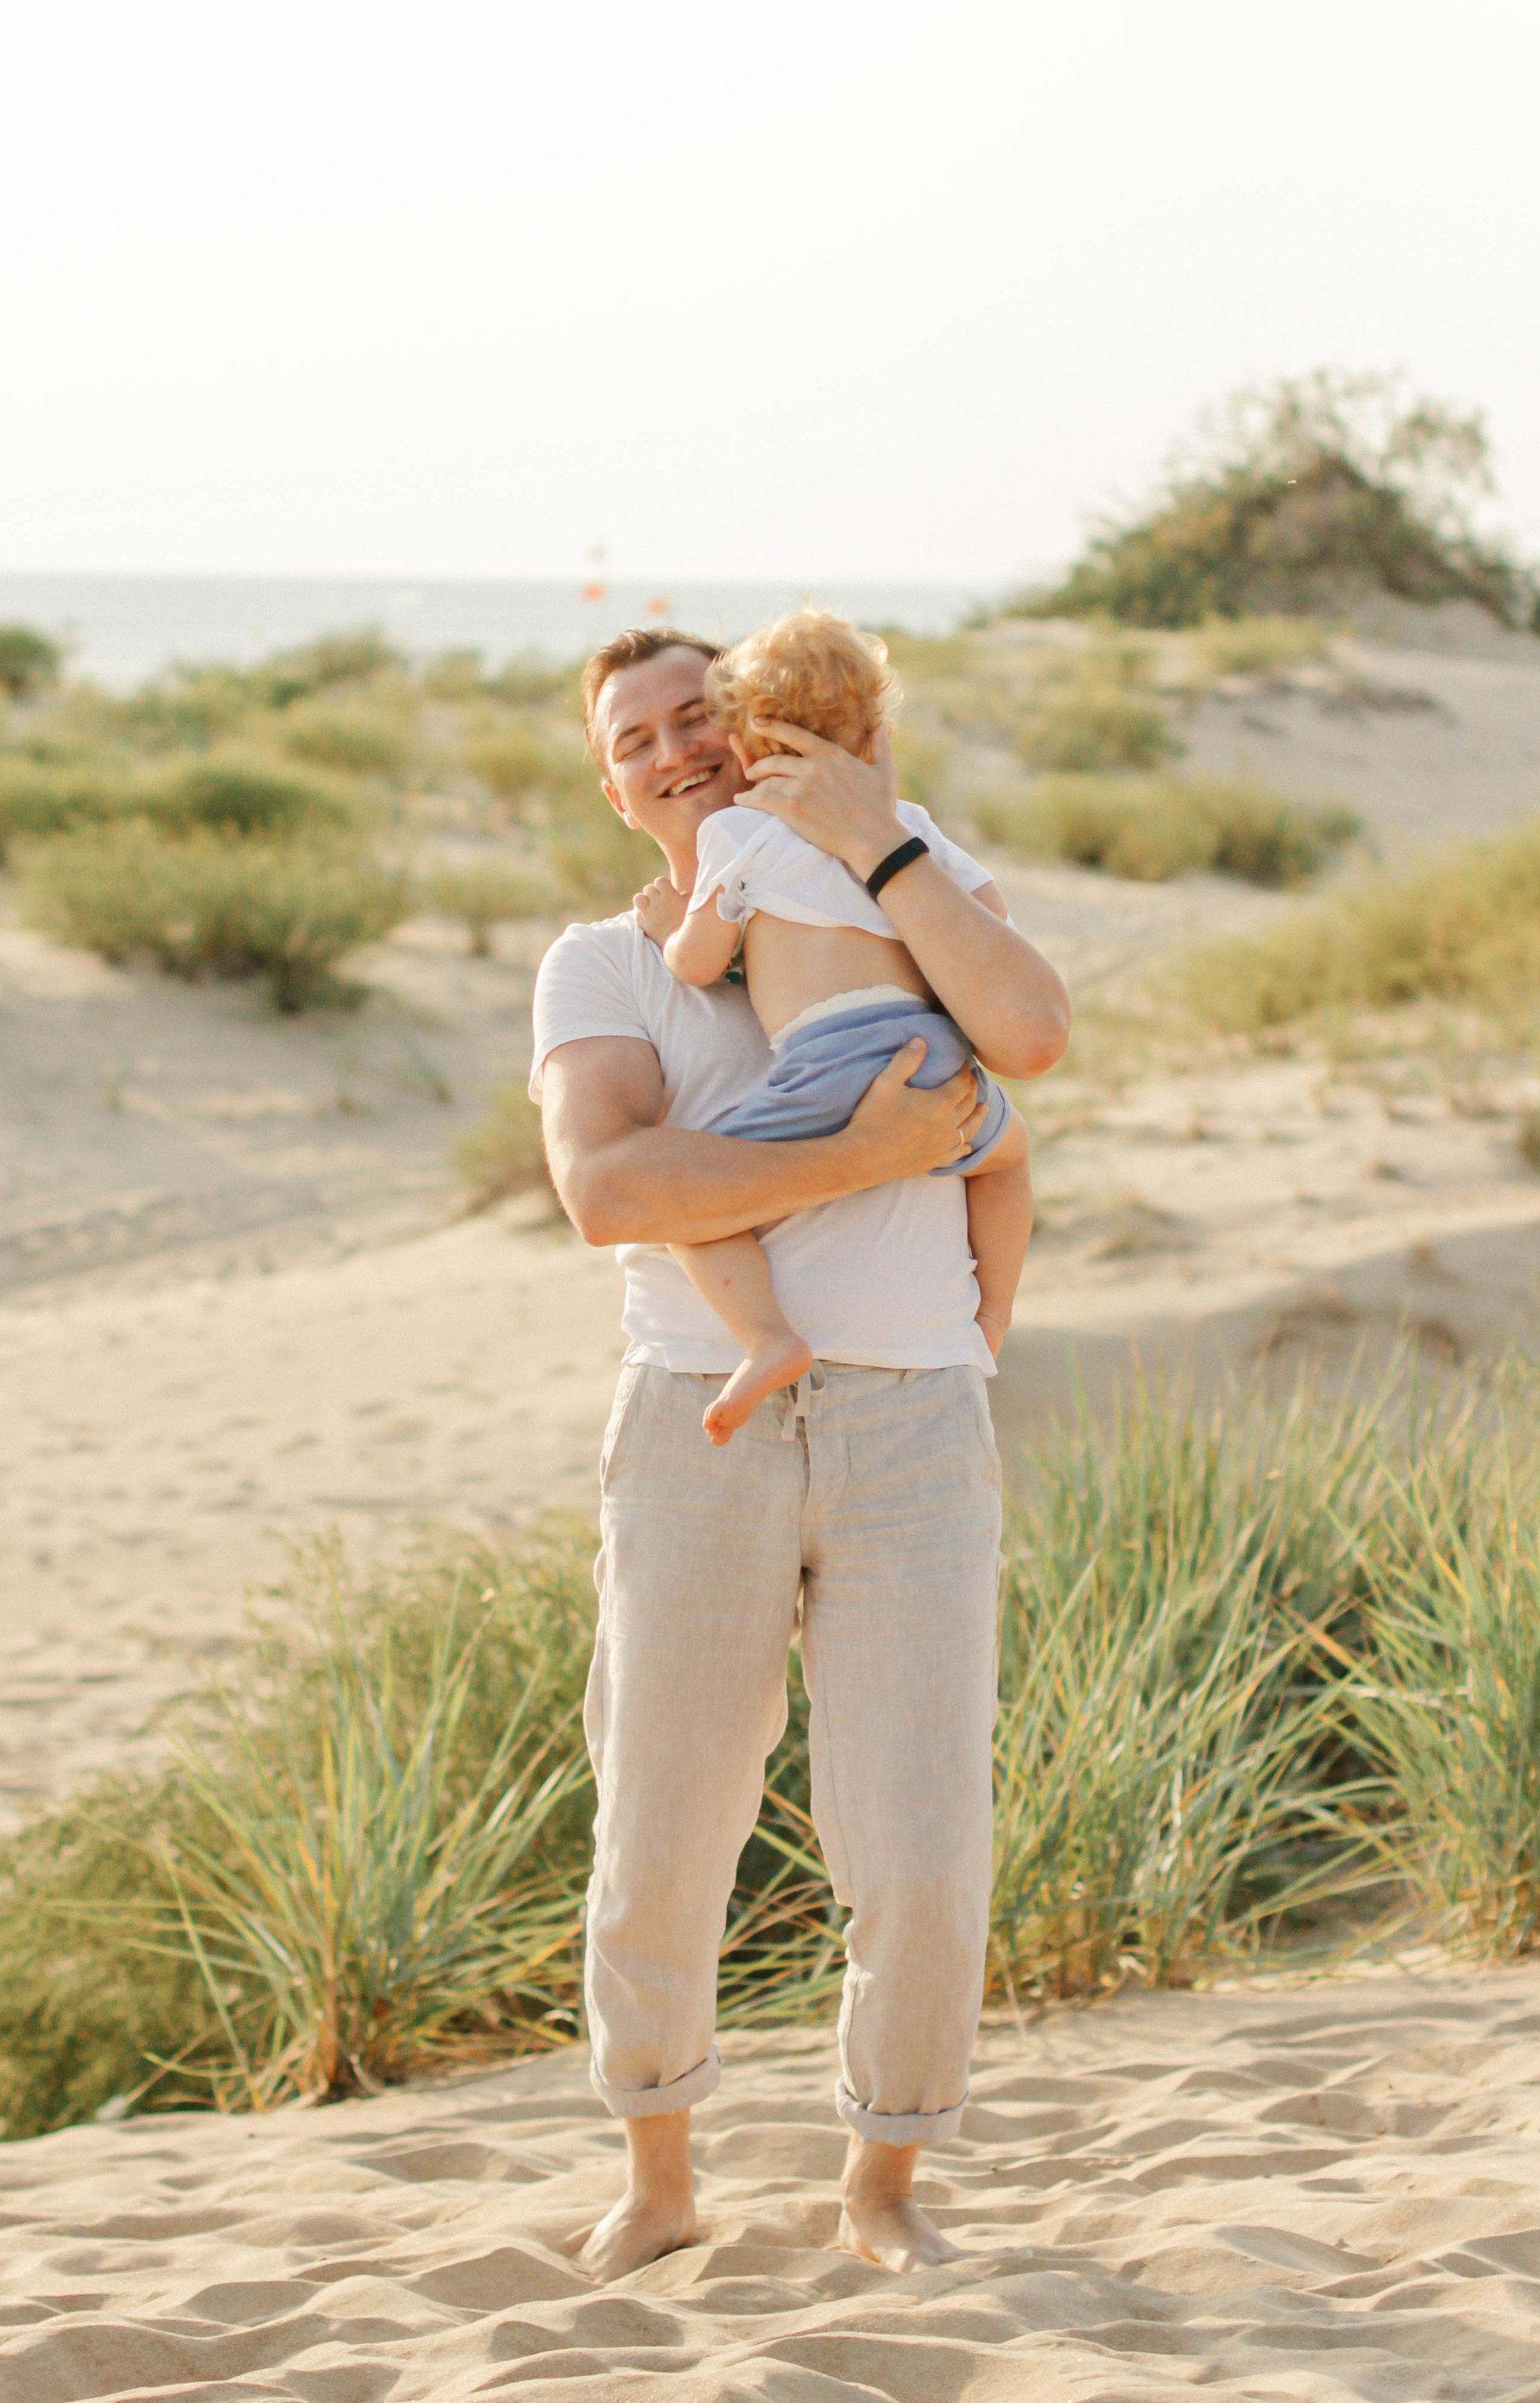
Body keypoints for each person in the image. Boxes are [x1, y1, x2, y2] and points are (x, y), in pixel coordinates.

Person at [531, 624, 1068, 2281]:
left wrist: (881, 841)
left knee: (915, 1841)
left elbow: (1027, 1038)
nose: (674, 748)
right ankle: (657, 2171)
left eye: (699, 712)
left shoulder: (886, 877)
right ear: (612, 784)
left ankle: (881, 2189)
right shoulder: (604, 966)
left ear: (757, 724)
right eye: (635, 737)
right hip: (700, 1421)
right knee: (663, 1822)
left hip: (912, 1416)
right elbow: (610, 1192)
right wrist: (867, 1154)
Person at [636, 606, 1032, 1440]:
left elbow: (696, 964)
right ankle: (992, 1314)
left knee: (687, 1203)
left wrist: (672, 923)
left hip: (830, 1064)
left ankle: (767, 1338)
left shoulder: (738, 831)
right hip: (936, 1054)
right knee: (1006, 1160)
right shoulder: (907, 827)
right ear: (873, 737)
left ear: (743, 747)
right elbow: (988, 919)